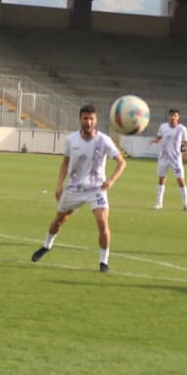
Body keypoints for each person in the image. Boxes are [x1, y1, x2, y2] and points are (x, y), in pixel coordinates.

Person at [30, 103, 127, 273]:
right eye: (85, 118)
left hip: (96, 189)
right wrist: (59, 185)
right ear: (80, 120)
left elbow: (121, 162)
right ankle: (47, 246)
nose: (88, 121)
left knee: (103, 222)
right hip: (74, 188)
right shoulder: (71, 139)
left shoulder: (104, 140)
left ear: (95, 120)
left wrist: (111, 180)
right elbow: (65, 162)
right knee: (59, 219)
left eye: (91, 118)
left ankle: (103, 262)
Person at [152, 108, 187, 210]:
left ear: (178, 117)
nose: (172, 117)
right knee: (162, 179)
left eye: (175, 115)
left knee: (180, 180)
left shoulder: (182, 129)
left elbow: (186, 143)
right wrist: (154, 140)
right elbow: (159, 137)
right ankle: (159, 204)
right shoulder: (163, 127)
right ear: (168, 116)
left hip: (176, 159)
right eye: (171, 115)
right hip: (163, 158)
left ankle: (185, 204)